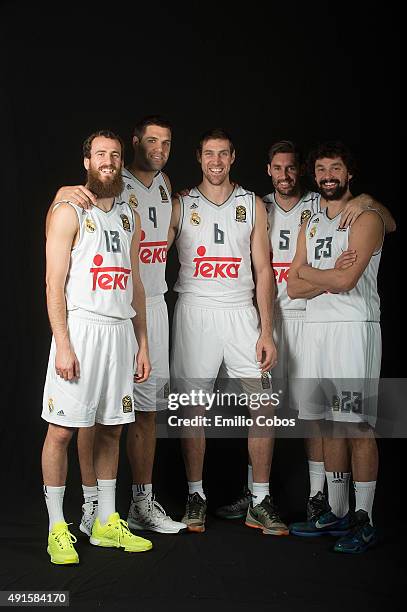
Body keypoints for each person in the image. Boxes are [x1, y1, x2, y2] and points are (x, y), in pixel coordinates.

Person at [215, 140, 395, 523]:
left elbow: (385, 226)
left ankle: (320, 498)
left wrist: (366, 202)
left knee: (323, 417)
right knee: (265, 411)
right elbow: (294, 281)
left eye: (291, 168)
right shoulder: (257, 206)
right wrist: (326, 278)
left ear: (302, 171)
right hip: (269, 318)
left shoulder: (324, 205)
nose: (285, 175)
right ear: (268, 170)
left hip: (313, 317)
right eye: (277, 168)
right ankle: (256, 494)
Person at [48, 116, 186, 535]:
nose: (157, 148)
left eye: (165, 142)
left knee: (131, 415)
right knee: (81, 420)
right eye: (150, 141)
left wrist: (141, 341)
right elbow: (54, 267)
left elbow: (141, 279)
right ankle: (86, 509)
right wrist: (60, 192)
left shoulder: (159, 190)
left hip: (138, 310)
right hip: (89, 317)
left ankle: (131, 507)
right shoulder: (90, 194)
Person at [167, 128, 288, 535]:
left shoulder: (252, 203)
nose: (216, 161)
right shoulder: (180, 203)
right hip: (195, 311)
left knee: (263, 404)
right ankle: (196, 495)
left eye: (223, 154)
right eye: (208, 154)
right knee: (193, 408)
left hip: (240, 311)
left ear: (233, 156)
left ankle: (260, 499)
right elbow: (148, 252)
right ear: (198, 158)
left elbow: (263, 270)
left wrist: (266, 331)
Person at [42, 130, 152, 564]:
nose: (109, 161)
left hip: (119, 332)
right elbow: (53, 285)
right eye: (101, 154)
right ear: (86, 160)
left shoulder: (130, 215)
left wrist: (142, 342)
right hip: (81, 330)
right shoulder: (68, 210)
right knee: (61, 431)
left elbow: (136, 283)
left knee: (111, 428)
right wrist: (63, 343)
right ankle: (56, 527)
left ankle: (106, 521)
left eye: (115, 155)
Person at [287, 141, 387, 552]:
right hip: (316, 329)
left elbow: (346, 283)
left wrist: (311, 274)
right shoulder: (310, 222)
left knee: (356, 424)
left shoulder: (366, 216)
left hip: (352, 327)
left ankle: (364, 520)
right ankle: (337, 513)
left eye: (336, 168)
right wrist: (318, 274)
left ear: (349, 174)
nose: (328, 174)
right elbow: (293, 286)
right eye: (322, 168)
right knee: (326, 422)